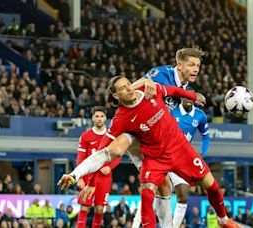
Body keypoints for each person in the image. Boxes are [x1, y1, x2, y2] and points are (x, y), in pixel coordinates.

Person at [58, 76, 240, 228]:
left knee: (211, 184)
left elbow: (174, 91)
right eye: (122, 88)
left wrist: (192, 95)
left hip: (179, 147)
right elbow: (102, 152)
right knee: (146, 192)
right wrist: (80, 177)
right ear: (115, 95)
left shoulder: (149, 90)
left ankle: (223, 219)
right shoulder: (121, 119)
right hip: (155, 157)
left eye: (128, 84)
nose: (128, 88)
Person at [133, 47, 208, 227]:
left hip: (153, 140)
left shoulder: (181, 87)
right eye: (191, 65)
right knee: (154, 185)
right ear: (179, 65)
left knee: (163, 186)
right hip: (136, 136)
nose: (196, 69)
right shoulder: (161, 74)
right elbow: (134, 86)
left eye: (197, 65)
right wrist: (144, 82)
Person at [169, 86, 210, 227]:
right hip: (164, 155)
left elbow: (206, 136)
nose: (188, 99)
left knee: (183, 196)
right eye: (185, 96)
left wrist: (202, 153)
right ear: (181, 97)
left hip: (182, 159)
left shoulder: (200, 116)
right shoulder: (171, 111)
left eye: (191, 96)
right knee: (153, 191)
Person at [75, 106, 120, 228]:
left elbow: (118, 155)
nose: (99, 119)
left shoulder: (112, 136)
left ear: (105, 118)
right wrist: (79, 177)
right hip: (88, 176)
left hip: (104, 177)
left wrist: (110, 167)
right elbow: (80, 157)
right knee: (85, 206)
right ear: (92, 118)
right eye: (97, 116)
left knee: (99, 209)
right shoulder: (85, 136)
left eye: (101, 116)